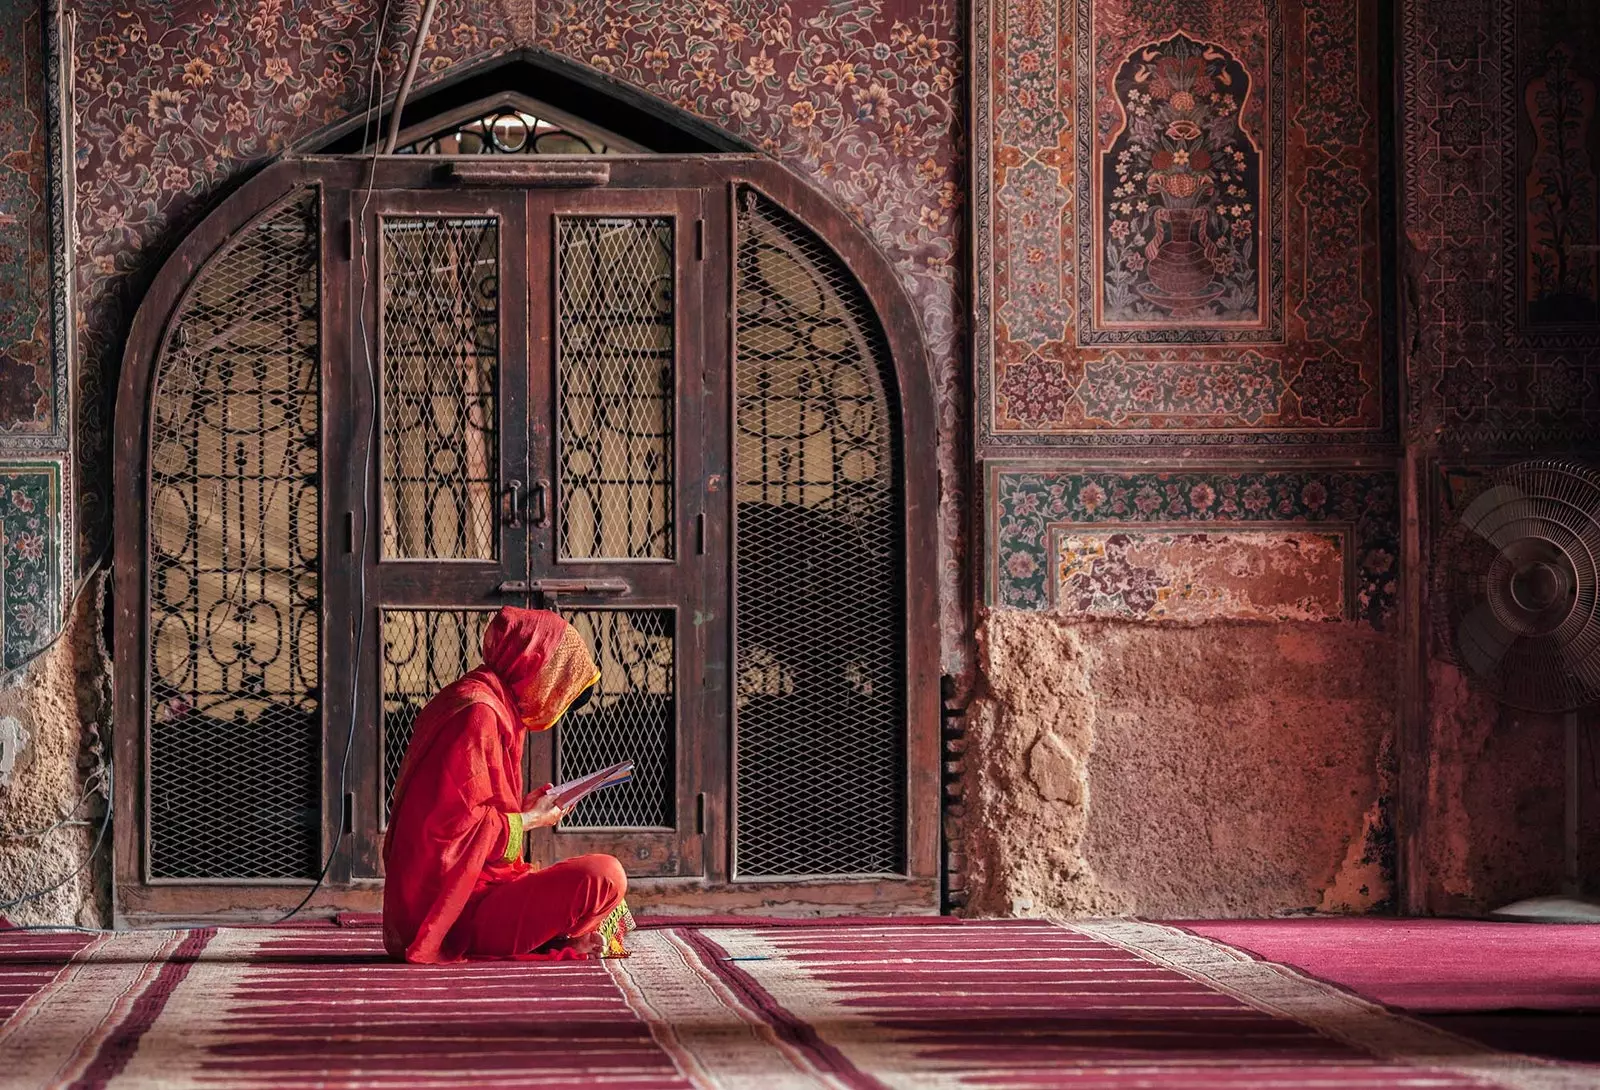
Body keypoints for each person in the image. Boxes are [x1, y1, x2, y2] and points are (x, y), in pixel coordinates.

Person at [382, 606, 630, 964]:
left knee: (604, 887)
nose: (556, 695)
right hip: (454, 911)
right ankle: (555, 939)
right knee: (605, 877)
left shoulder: (491, 703)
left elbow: (472, 814)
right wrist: (531, 820)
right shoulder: (476, 713)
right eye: (556, 678)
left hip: (483, 888)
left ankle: (554, 938)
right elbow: (450, 833)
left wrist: (523, 809)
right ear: (533, 665)